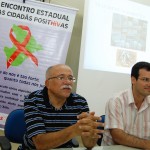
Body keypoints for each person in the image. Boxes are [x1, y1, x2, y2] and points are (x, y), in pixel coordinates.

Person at [22, 64, 104, 150]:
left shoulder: (80, 101)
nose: (68, 82)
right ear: (47, 83)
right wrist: (74, 130)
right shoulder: (32, 99)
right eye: (61, 78)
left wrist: (91, 132)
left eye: (70, 78)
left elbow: (89, 145)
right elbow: (40, 144)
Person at [102, 61, 150, 149]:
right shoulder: (116, 101)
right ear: (133, 80)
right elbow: (117, 137)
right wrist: (147, 144)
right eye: (145, 80)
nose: (149, 84)